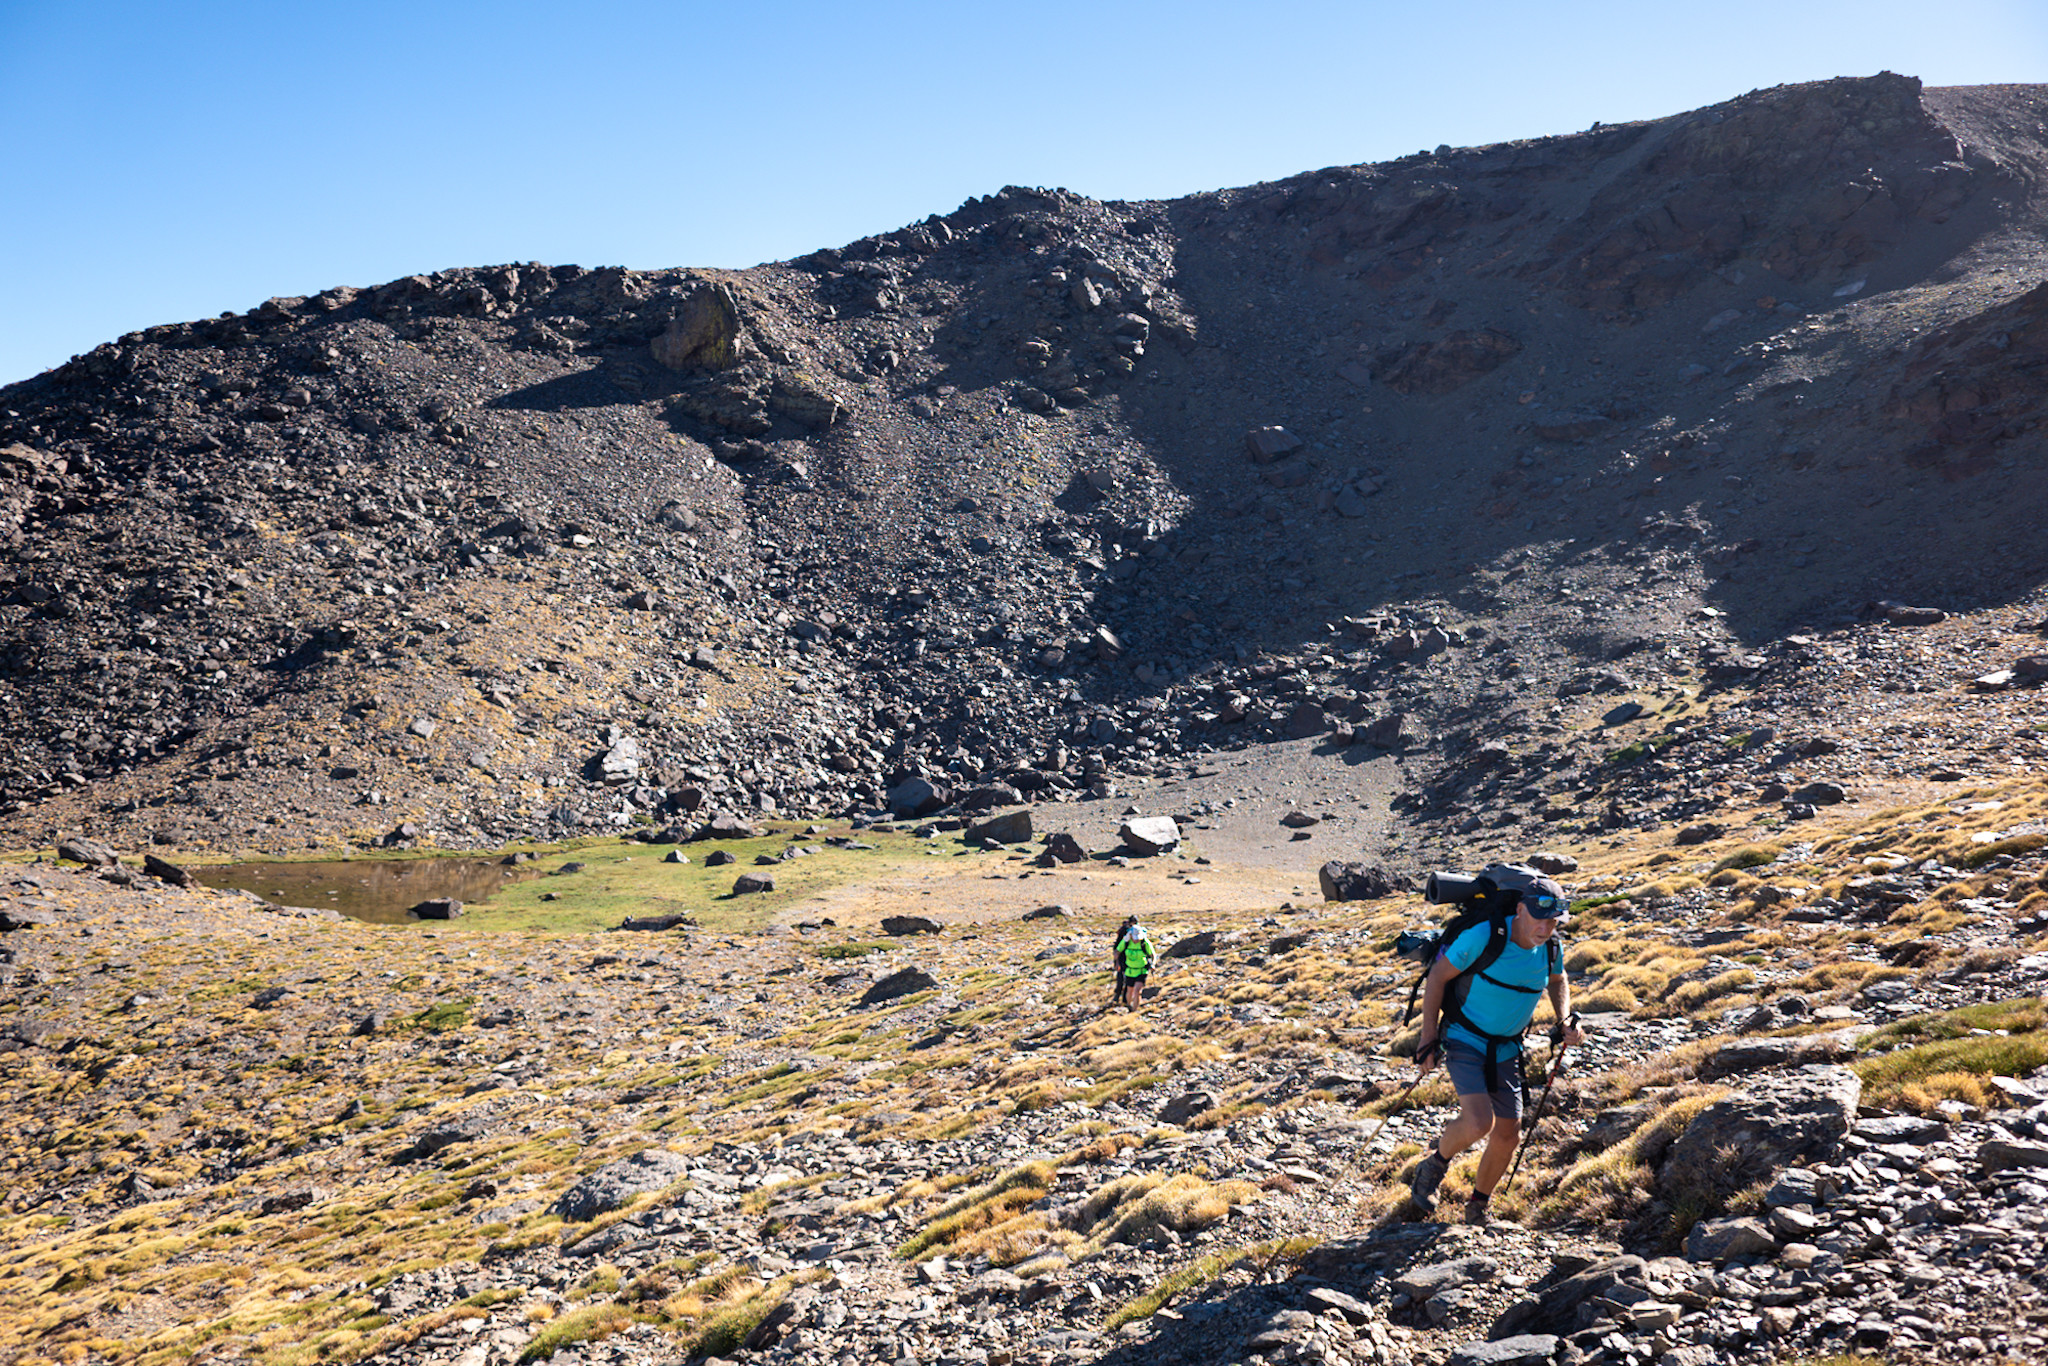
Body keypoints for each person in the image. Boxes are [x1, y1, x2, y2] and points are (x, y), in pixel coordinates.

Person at [1407, 872, 1584, 1225]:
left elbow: (1557, 979)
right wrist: (1428, 1039)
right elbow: (1438, 977)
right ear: (1519, 910)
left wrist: (1564, 1019)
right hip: (1464, 1037)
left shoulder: (1550, 947)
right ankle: (1432, 1168)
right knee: (1478, 1122)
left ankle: (1477, 1208)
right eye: (1539, 918)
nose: (1546, 927)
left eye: (1553, 921)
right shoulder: (1485, 936)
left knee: (1509, 1133)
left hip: (1506, 1048)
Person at [1113, 917, 1155, 1010]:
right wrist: (1116, 961)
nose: (1136, 940)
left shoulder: (1144, 942)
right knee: (1130, 990)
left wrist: (1153, 964)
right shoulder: (1125, 941)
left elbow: (1152, 954)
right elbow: (1117, 950)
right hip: (1130, 970)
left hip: (1142, 970)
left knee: (1137, 991)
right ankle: (1128, 1006)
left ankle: (1134, 1010)